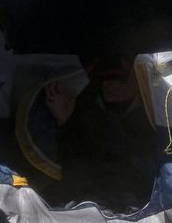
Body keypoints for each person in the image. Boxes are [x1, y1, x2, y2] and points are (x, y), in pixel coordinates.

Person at [44, 54, 161, 213]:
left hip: (132, 202)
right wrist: (66, 121)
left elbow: (134, 165)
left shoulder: (155, 116)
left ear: (137, 80)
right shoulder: (85, 109)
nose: (109, 86)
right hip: (88, 200)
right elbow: (76, 170)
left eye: (118, 81)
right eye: (104, 81)